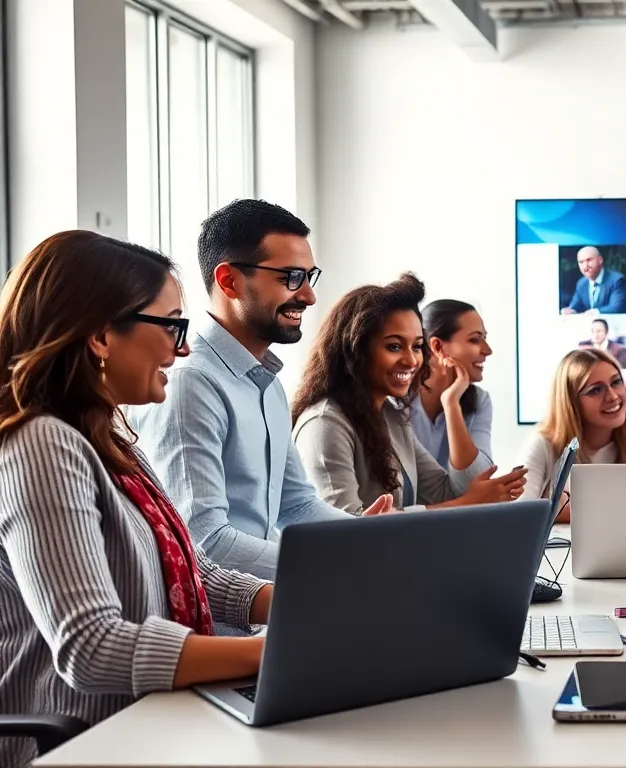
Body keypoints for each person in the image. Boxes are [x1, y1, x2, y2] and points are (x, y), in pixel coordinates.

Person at [0, 232, 274, 768]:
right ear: (102, 336)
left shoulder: (108, 438)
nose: (184, 348)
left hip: (148, 723)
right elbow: (91, 646)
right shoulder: (41, 444)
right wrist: (274, 654)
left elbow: (190, 574)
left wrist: (300, 600)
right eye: (172, 325)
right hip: (82, 742)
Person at [128, 199, 392, 582]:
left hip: (269, 616)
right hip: (217, 632)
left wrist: (360, 538)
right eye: (290, 277)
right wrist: (339, 559)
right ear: (229, 281)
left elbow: (297, 505)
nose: (308, 296)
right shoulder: (192, 383)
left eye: (309, 276)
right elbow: (204, 542)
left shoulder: (266, 382)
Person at [290, 274, 526, 514]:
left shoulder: (390, 414)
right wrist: (470, 501)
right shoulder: (325, 423)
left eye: (416, 347)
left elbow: (448, 492)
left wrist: (451, 402)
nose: (412, 360)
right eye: (394, 346)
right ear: (356, 349)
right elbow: (346, 529)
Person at [517, 348, 626, 523]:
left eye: (616, 382)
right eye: (596, 390)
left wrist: (561, 508)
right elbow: (520, 514)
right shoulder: (543, 442)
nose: (613, 396)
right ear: (571, 402)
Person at [409, 298, 495, 493]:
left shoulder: (480, 401)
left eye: (485, 338)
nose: (488, 350)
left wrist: (451, 403)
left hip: (456, 521)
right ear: (438, 347)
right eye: (475, 339)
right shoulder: (396, 403)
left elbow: (475, 482)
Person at [562, 246, 626, 314]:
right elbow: (575, 306)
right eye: (581, 262)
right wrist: (570, 311)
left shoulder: (616, 280)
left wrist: (596, 312)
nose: (585, 266)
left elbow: (615, 308)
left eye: (589, 260)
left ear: (600, 260)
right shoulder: (582, 283)